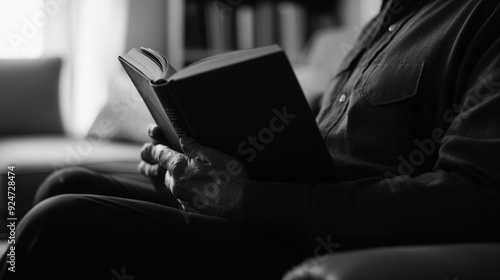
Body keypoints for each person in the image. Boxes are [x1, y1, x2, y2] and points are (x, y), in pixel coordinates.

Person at [2, 0, 500, 279]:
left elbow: (472, 199)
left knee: (59, 223)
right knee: (67, 182)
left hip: (321, 245)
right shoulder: (385, 19)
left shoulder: (482, 18)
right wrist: (194, 173)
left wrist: (246, 199)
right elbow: (315, 154)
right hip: (273, 217)